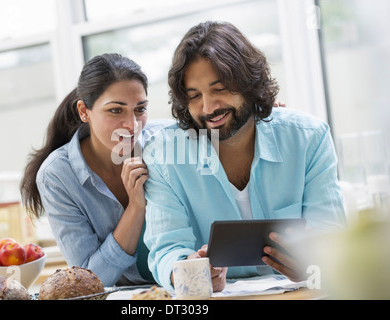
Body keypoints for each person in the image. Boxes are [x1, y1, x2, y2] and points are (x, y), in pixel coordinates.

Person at [143, 21, 347, 292]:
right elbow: (166, 249)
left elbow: (331, 239)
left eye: (219, 89)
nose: (208, 107)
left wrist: (314, 264)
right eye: (194, 96)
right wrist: (188, 270)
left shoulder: (308, 138)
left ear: (248, 83)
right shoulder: (164, 156)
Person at [20, 53, 172, 286]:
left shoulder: (166, 140)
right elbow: (91, 280)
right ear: (84, 111)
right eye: (115, 110)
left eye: (140, 109)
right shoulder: (57, 176)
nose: (132, 125)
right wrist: (136, 207)